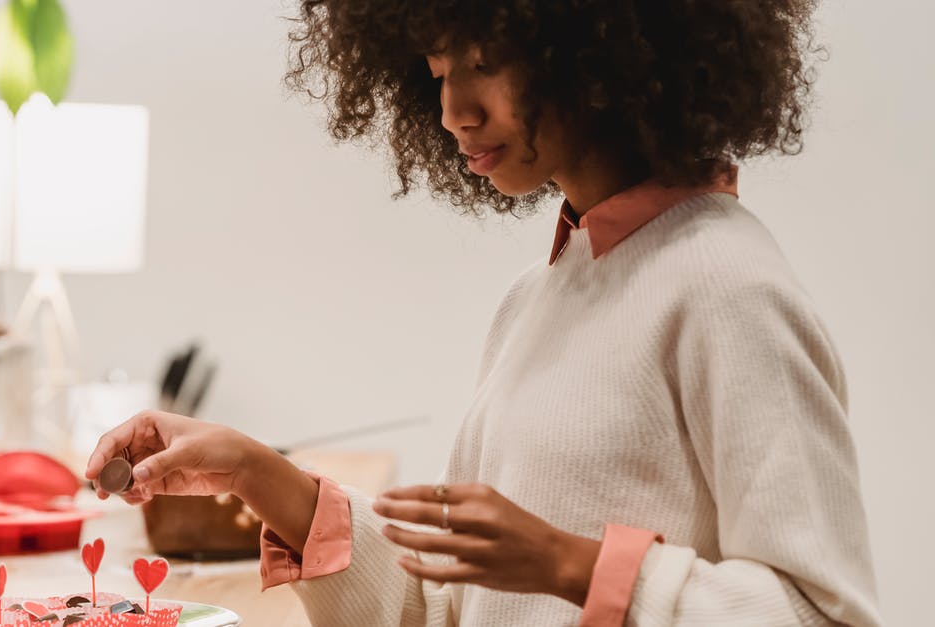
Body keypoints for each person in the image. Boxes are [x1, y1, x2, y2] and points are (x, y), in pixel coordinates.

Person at [86, 1, 882, 624]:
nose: (453, 109)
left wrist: (569, 564)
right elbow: (446, 609)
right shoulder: (536, 300)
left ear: (601, 46)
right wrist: (259, 474)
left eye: (487, 62)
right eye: (437, 70)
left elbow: (824, 612)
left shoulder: (728, 287)